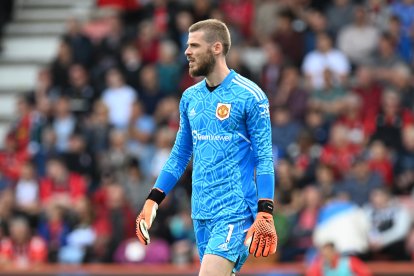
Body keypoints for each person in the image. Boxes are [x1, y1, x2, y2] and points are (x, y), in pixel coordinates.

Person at [135, 19, 277, 276]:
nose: (187, 52)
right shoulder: (190, 97)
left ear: (216, 48)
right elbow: (180, 155)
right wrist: (153, 199)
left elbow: (264, 156)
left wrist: (265, 211)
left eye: (194, 45)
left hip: (235, 211)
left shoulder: (250, 96)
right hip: (201, 212)